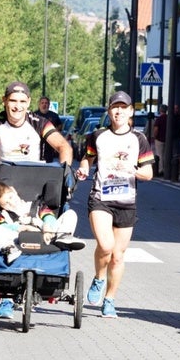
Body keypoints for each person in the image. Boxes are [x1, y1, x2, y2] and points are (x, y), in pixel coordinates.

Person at [76, 91, 155, 318]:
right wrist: (83, 168)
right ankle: (100, 278)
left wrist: (135, 171)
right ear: (109, 111)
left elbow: (149, 173)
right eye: (114, 107)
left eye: (123, 107)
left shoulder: (139, 140)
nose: (119, 111)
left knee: (118, 255)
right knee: (106, 245)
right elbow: (87, 159)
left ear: (131, 111)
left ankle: (109, 300)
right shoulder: (98, 136)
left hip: (127, 201)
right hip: (101, 198)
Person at [0, 181, 85, 318]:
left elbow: (49, 216)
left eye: (11, 198)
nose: (11, 203)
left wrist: (45, 227)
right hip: (17, 241)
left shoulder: (36, 206)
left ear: (14, 191)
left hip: (47, 238)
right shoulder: (4, 214)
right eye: (6, 203)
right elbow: (4, 227)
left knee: (70, 214)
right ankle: (8, 248)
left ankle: (64, 237)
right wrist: (22, 228)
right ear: (0, 205)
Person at [0, 81, 72, 167]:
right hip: (4, 177)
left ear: (28, 102)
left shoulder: (40, 122)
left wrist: (65, 172)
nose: (18, 106)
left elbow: (64, 147)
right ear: (4, 100)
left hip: (34, 177)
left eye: (22, 101)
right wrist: (0, 170)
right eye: (13, 101)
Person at [35, 96, 63, 163]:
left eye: (46, 103)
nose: (44, 105)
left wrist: (54, 131)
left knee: (49, 159)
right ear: (39, 104)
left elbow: (60, 125)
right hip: (37, 141)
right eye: (42, 103)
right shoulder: (35, 115)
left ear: (49, 104)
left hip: (49, 141)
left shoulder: (54, 115)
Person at [152, 104, 168, 176]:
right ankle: (166, 168)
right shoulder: (168, 118)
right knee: (165, 154)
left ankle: (161, 169)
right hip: (167, 139)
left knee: (159, 154)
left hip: (159, 139)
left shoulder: (159, 119)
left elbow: (156, 129)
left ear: (160, 110)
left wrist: (155, 136)